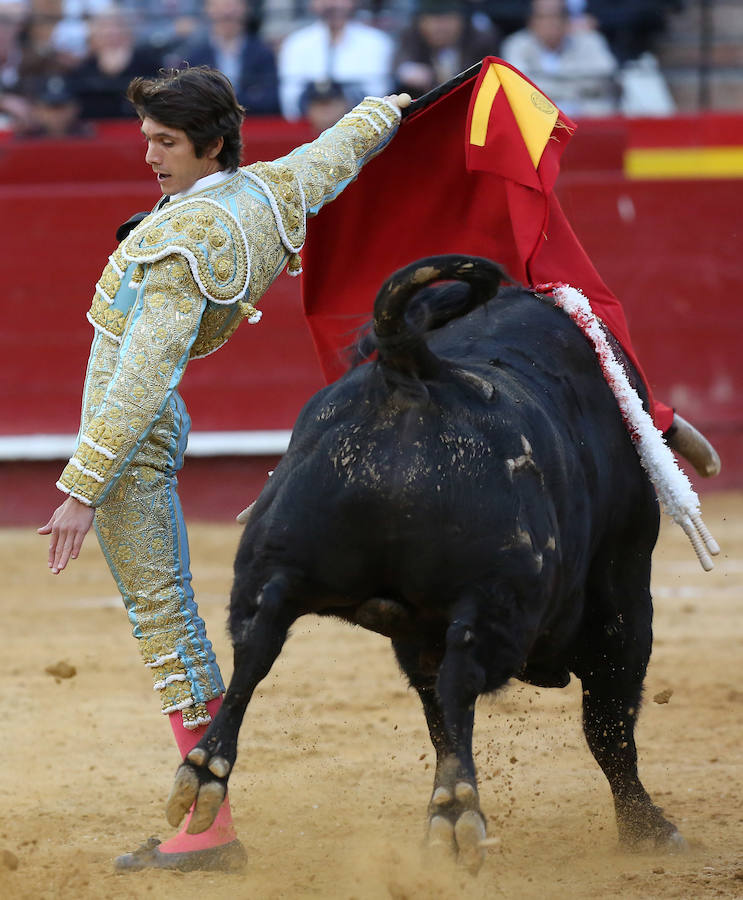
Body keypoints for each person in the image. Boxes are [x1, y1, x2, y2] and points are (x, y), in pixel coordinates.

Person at [39, 64, 408, 872]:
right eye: (145, 139)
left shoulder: (186, 246)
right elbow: (338, 149)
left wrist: (80, 488)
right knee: (168, 623)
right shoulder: (267, 188)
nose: (149, 157)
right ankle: (205, 821)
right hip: (148, 430)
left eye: (165, 143)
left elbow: (140, 377)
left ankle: (208, 830)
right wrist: (393, 107)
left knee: (168, 631)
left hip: (129, 451)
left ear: (210, 145)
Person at [277, 0, 394, 120]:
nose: (332, 4)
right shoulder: (295, 43)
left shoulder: (377, 42)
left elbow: (379, 94)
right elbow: (291, 97)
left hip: (361, 124)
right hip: (307, 127)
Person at [500, 0, 619, 118]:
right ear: (531, 21)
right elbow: (517, 87)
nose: (551, 23)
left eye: (557, 16)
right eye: (543, 17)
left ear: (567, 20)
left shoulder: (590, 40)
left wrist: (548, 91)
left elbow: (605, 77)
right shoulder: (516, 44)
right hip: (534, 118)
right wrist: (574, 88)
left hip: (583, 118)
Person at [172, 0, 280, 115]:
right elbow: (185, 99)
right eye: (220, 5)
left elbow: (270, 99)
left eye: (233, 4)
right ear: (207, 9)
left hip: (254, 124)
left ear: (246, 9)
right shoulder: (194, 55)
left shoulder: (262, 53)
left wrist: (215, 100)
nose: (227, 11)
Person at [394, 0, 500, 99]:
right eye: (432, 20)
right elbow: (401, 64)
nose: (439, 28)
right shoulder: (411, 37)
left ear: (461, 20)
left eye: (447, 20)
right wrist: (407, 70)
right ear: (420, 23)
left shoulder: (481, 41)